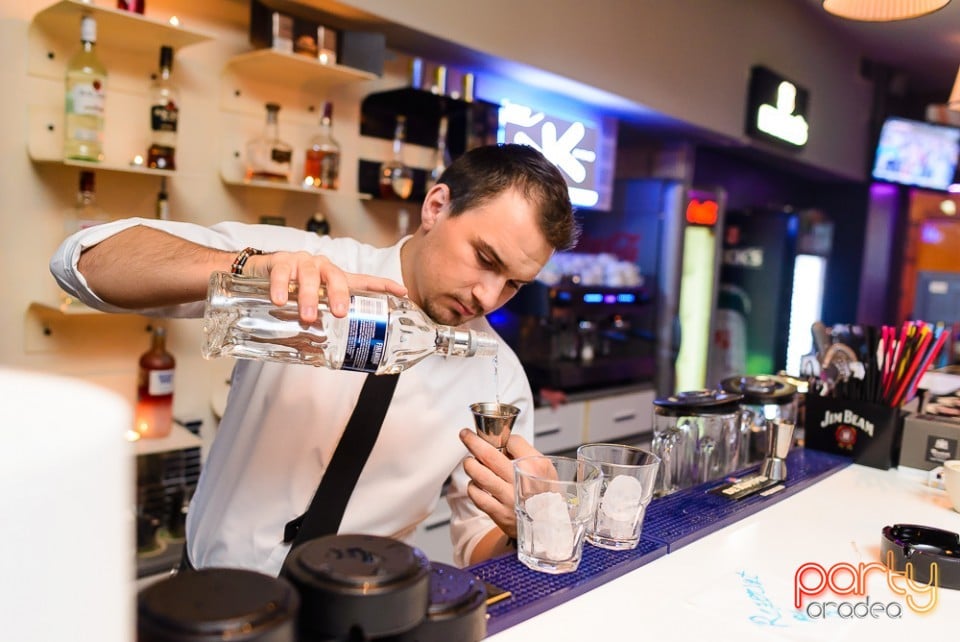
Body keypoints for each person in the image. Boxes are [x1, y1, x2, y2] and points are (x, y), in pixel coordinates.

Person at [51, 143, 579, 575]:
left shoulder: (498, 378)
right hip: (212, 599)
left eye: (514, 283)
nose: (489, 296)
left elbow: (476, 546)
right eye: (485, 259)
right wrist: (245, 268)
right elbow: (83, 263)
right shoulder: (303, 266)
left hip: (358, 618)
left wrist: (521, 528)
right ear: (436, 207)